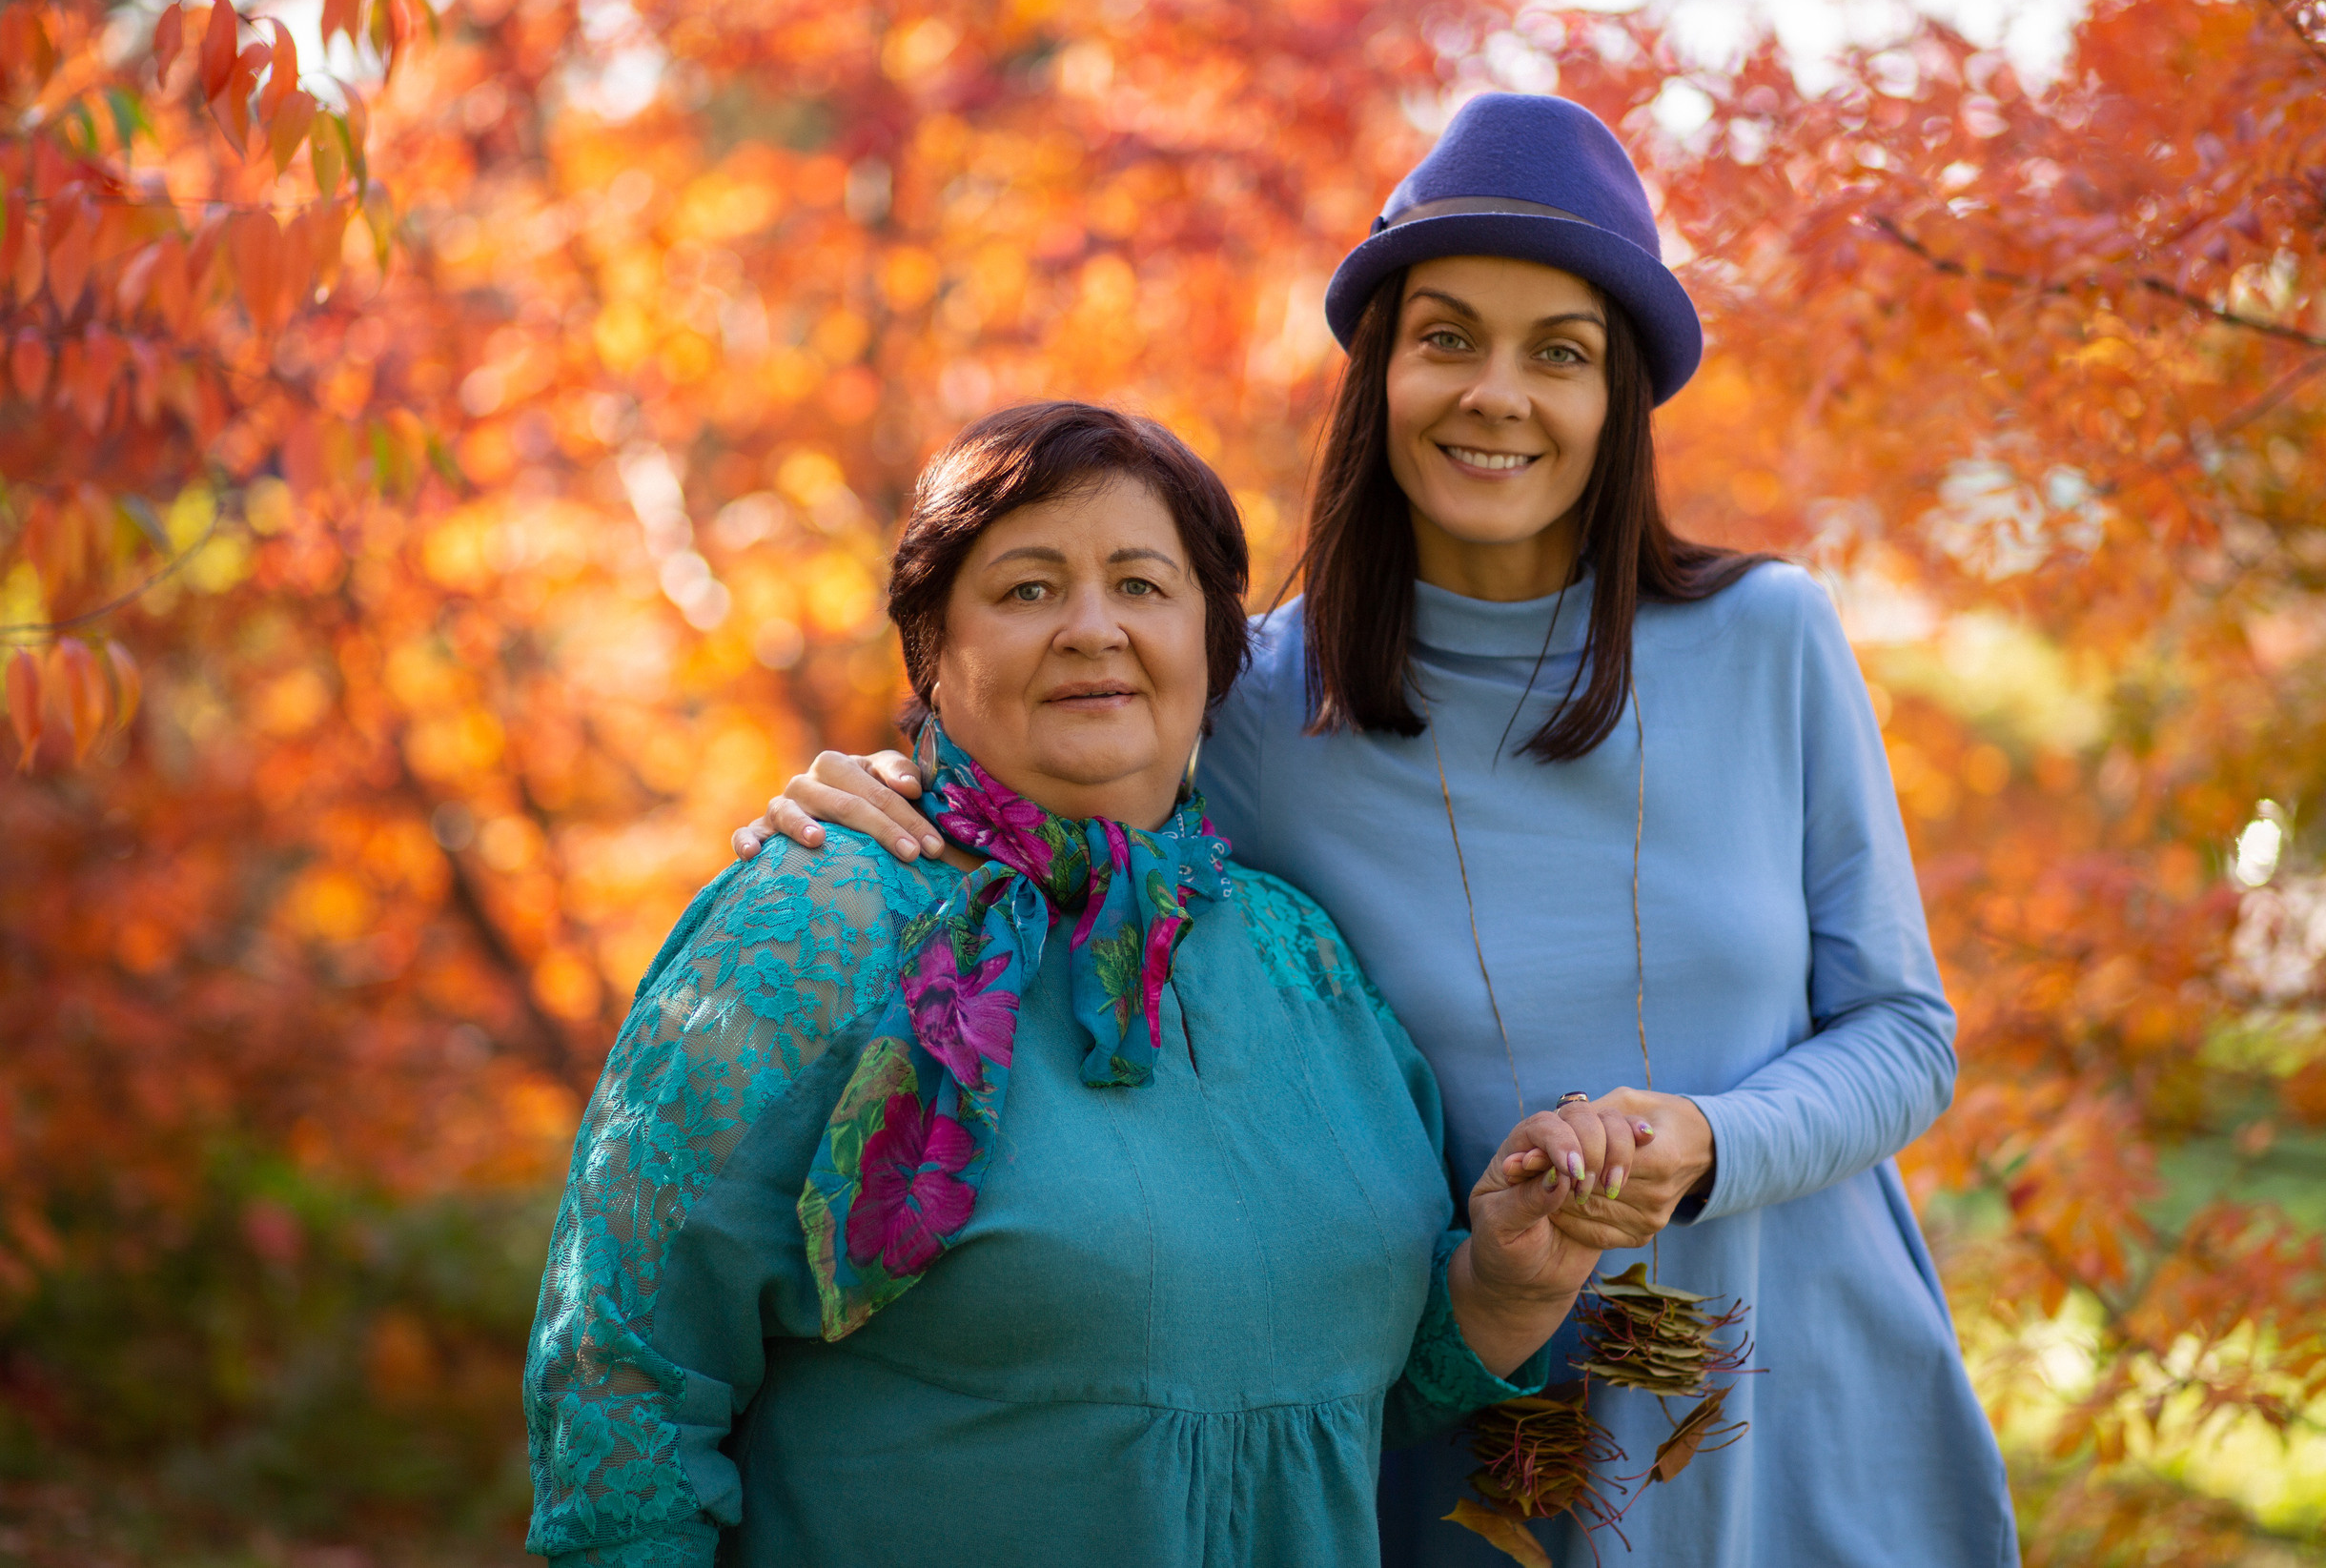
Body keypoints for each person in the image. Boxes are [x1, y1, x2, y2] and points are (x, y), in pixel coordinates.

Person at [733, 95, 2019, 1566]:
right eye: (1449, 336)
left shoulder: (1766, 638)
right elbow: (1050, 803)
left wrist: (1712, 1141)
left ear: (1619, 403)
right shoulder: (1263, 702)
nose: (1499, 394)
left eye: (1561, 353)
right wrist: (873, 787)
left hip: (1798, 1393)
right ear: (1383, 372)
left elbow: (1907, 1030)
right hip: (1478, 1423)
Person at [525, 399, 1647, 1568]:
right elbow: (620, 1381)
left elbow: (1321, 1404)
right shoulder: (816, 920)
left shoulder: (1297, 954)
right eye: (1026, 588)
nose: (1091, 628)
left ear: (1214, 646)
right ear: (932, 652)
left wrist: (1510, 1285)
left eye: (1141, 584)